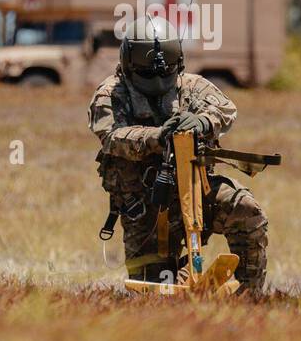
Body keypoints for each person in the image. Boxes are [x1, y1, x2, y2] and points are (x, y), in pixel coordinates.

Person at [87, 16, 268, 292]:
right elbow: (112, 137)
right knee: (151, 291)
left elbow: (226, 110)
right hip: (144, 206)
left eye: (166, 74)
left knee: (245, 210)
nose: (159, 82)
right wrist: (158, 137)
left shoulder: (192, 86)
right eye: (148, 76)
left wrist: (204, 122)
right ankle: (183, 283)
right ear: (128, 64)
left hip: (196, 190)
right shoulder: (111, 93)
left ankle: (249, 296)